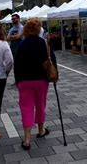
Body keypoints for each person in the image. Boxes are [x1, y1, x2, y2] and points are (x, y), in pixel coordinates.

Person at [14, 18, 57, 150]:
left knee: (26, 108)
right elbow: (52, 61)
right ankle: (41, 130)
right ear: (39, 29)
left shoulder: (22, 45)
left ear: (26, 30)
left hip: (24, 81)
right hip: (41, 81)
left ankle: (27, 139)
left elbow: (17, 65)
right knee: (40, 105)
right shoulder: (44, 43)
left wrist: (17, 81)